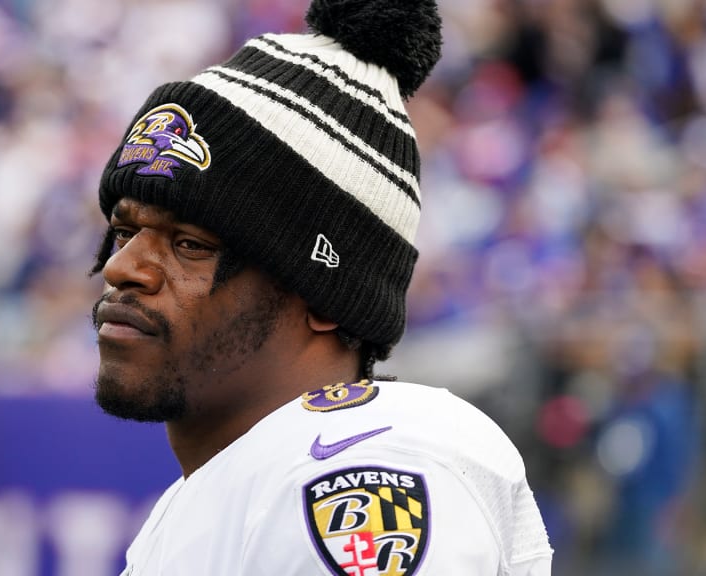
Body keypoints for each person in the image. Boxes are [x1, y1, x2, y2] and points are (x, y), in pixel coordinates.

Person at [89, 0, 553, 574]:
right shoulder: (227, 488)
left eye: (189, 244)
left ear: (325, 295)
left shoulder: (360, 467)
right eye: (125, 231)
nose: (123, 267)